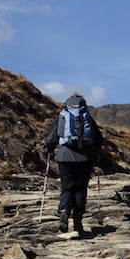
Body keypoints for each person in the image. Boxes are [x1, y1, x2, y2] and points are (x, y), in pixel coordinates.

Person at [44, 93, 103, 234]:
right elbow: (99, 139)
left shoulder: (62, 116)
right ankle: (78, 220)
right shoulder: (87, 117)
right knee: (80, 189)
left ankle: (64, 210)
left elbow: (51, 138)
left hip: (65, 157)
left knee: (67, 186)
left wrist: (49, 149)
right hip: (85, 158)